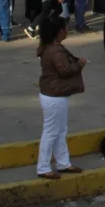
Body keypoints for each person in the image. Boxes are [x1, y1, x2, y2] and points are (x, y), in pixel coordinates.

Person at [35, 15, 86, 179]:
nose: (67, 30)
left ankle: (63, 163)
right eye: (65, 28)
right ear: (59, 32)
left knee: (60, 131)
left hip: (53, 93)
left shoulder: (49, 47)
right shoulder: (55, 50)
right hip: (54, 95)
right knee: (51, 132)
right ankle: (43, 167)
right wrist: (79, 65)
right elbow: (64, 71)